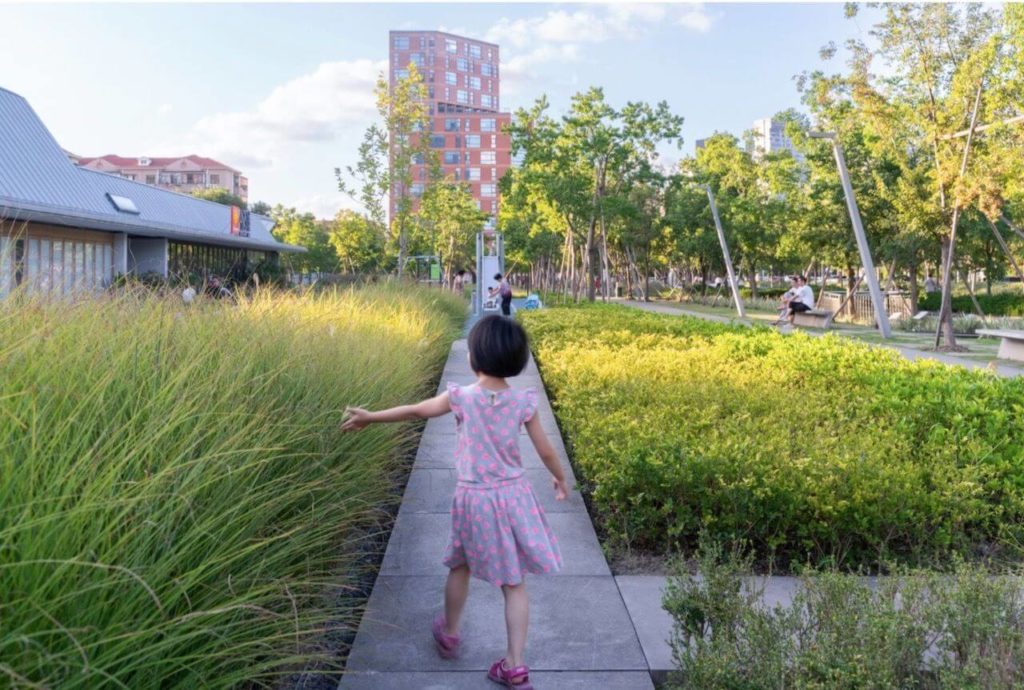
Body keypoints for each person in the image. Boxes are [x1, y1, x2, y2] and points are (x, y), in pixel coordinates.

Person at [342, 316, 568, 689]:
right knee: (514, 583)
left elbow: (417, 410)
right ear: (517, 360)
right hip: (513, 498)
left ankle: (449, 631)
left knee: (460, 564)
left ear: (473, 358)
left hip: (473, 499)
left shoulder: (462, 397)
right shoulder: (522, 402)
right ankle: (515, 665)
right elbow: (545, 450)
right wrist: (559, 478)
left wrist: (371, 417)